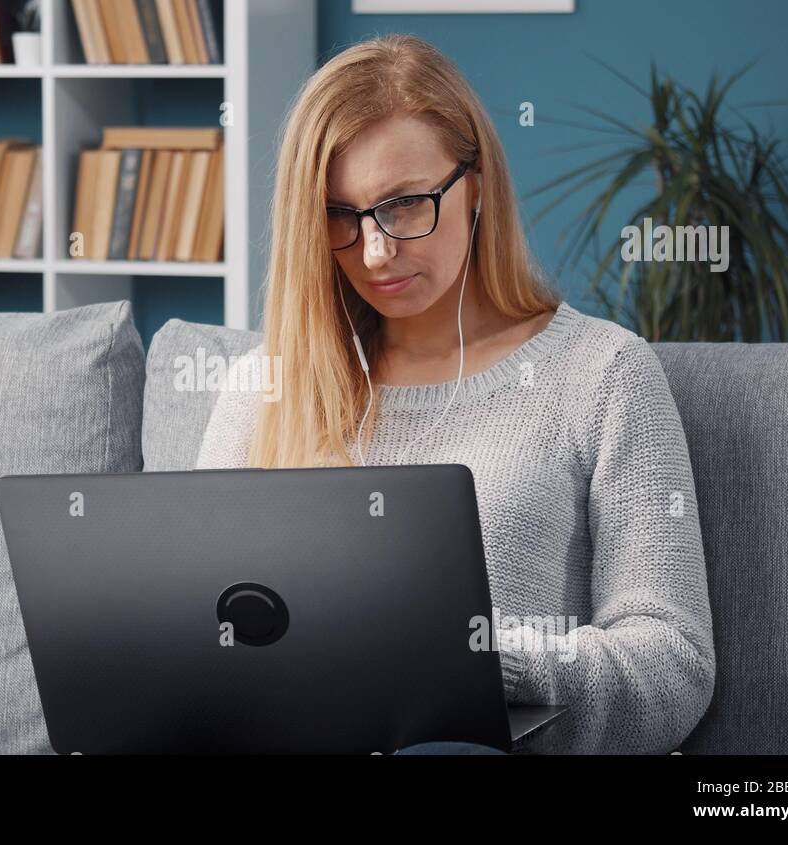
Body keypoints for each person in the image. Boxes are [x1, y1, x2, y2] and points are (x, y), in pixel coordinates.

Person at [195, 34, 716, 755]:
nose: (374, 251)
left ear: (474, 185)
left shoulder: (603, 374)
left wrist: (485, 657)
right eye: (340, 215)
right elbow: (196, 630)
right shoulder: (266, 384)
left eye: (403, 204)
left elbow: (674, 662)